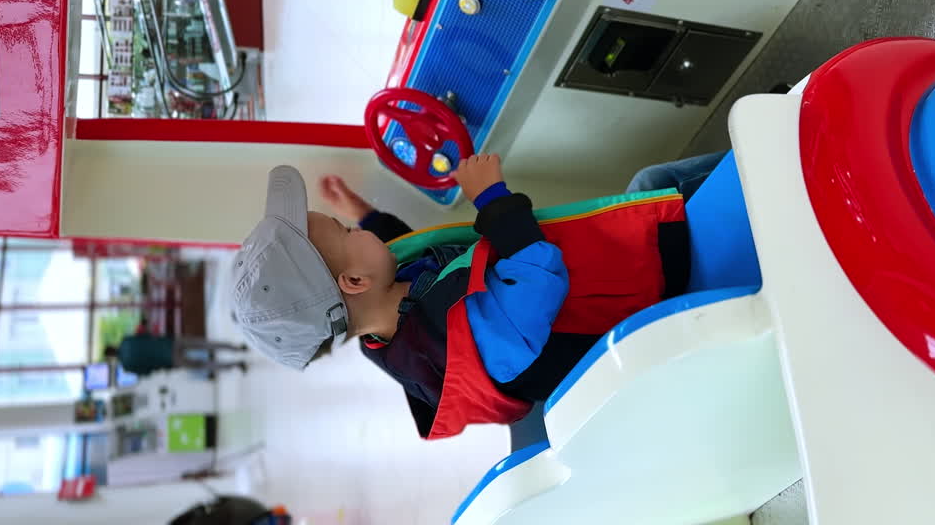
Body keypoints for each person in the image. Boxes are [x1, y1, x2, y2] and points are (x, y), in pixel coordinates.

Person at [231, 152, 725, 440]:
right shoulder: (465, 341)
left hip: (616, 270)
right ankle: (783, 140)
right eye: (344, 230)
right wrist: (491, 197)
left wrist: (362, 213)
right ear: (354, 283)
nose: (356, 230)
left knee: (651, 185)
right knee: (660, 188)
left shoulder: (382, 318)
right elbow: (538, 278)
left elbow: (417, 254)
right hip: (650, 292)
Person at [106, 328, 249, 377]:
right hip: (170, 342)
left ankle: (236, 365)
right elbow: (146, 335)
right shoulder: (126, 340)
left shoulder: (127, 366)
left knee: (203, 365)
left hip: (169, 360)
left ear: (111, 357)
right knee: (205, 344)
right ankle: (237, 347)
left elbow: (147, 371)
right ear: (113, 345)